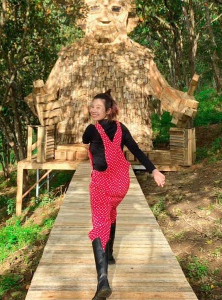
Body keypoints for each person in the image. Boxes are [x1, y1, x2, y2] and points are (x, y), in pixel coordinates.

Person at [82, 90, 165, 299]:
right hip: (121, 183)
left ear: (108, 111)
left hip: (101, 182)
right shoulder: (121, 128)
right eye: (92, 106)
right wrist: (154, 170)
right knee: (111, 210)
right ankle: (108, 255)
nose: (93, 110)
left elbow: (84, 140)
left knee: (99, 223)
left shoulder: (92, 129)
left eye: (98, 107)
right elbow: (136, 150)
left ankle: (103, 281)